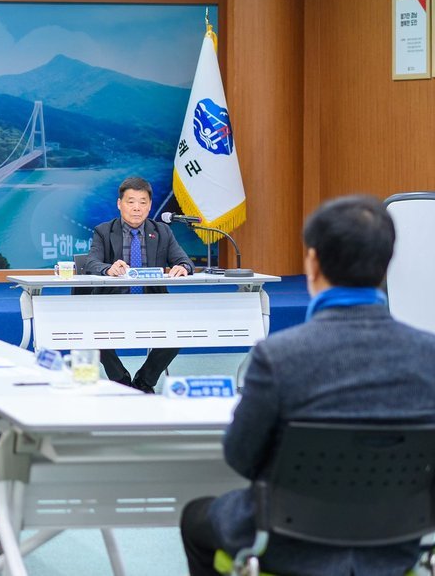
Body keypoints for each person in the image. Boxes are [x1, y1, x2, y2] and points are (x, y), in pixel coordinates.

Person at [180, 194, 435, 575]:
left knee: (195, 517)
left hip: (286, 547)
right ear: (385, 266)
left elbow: (242, 457)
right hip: (393, 549)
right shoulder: (428, 355)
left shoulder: (278, 356)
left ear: (312, 263)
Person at [82, 175, 193, 392]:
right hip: (111, 302)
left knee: (179, 330)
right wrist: (108, 269)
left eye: (143, 202)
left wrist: (183, 267)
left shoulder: (162, 231)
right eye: (131, 202)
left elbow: (184, 261)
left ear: (150, 206)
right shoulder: (104, 231)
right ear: (119, 204)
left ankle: (144, 381)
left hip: (153, 303)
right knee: (91, 332)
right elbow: (91, 262)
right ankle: (121, 380)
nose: (136, 208)